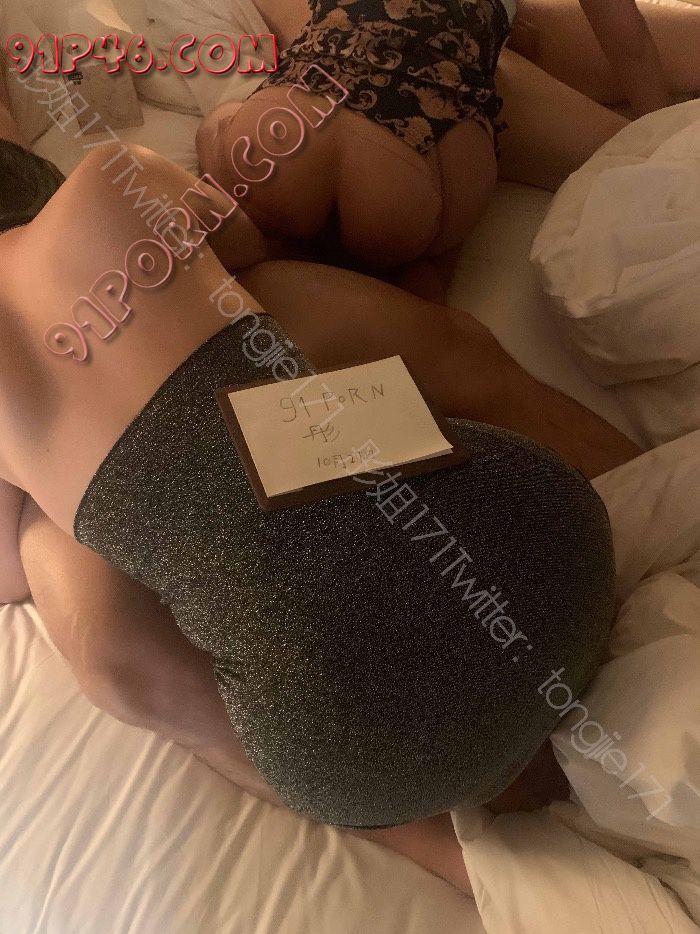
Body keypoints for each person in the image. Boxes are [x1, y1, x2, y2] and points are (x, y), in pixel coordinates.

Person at [0, 112, 645, 892]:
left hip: (365, 752)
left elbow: (7, 574)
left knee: (86, 607)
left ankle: (464, 858)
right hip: (555, 545)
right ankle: (657, 507)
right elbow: (244, 246)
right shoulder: (111, 175)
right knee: (284, 330)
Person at [196, 0, 698, 271]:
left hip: (309, 116)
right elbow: (629, 41)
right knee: (409, 260)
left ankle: (276, 245)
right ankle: (384, 274)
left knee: (221, 124)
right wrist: (663, 133)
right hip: (445, 157)